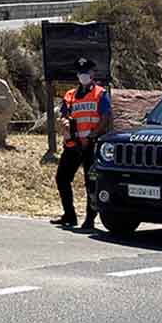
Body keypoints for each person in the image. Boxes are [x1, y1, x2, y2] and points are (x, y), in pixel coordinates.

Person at [50, 57, 112, 230]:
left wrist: (93, 135)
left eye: (86, 72)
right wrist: (63, 125)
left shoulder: (100, 93)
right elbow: (62, 115)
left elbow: (106, 117)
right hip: (73, 144)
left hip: (91, 145)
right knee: (62, 178)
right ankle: (69, 215)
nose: (83, 76)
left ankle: (90, 219)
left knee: (91, 182)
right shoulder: (69, 95)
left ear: (93, 74)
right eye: (80, 73)